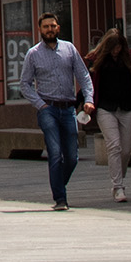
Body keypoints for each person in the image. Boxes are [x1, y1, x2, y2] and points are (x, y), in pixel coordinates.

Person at [19, 14, 94, 211]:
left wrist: (89, 99)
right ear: (40, 30)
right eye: (46, 27)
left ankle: (58, 183)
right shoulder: (33, 54)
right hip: (48, 109)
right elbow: (24, 84)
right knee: (55, 152)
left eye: (52, 26)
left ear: (58, 28)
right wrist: (40, 104)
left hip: (68, 108)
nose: (50, 29)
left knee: (72, 157)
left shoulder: (69, 49)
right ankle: (60, 198)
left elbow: (84, 76)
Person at [87, 26, 131, 203]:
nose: (117, 50)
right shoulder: (97, 60)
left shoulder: (130, 58)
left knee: (126, 149)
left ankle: (118, 178)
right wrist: (84, 102)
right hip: (105, 108)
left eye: (119, 46)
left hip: (127, 107)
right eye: (113, 47)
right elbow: (88, 83)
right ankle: (118, 186)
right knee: (114, 146)